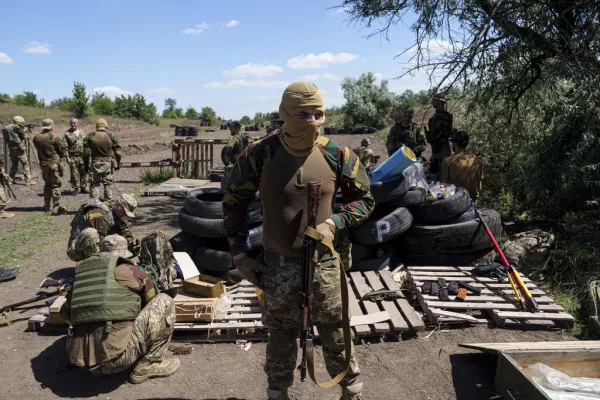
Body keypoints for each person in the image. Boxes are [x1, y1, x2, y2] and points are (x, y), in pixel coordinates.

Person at [223, 81, 374, 400]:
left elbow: (364, 199)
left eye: (318, 113)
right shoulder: (259, 154)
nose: (312, 120)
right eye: (303, 114)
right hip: (277, 265)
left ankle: (351, 390)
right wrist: (240, 256)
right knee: (280, 331)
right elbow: (234, 202)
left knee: (335, 327)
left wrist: (335, 222)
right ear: (284, 115)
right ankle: (278, 393)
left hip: (326, 263)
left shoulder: (339, 154)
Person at [60, 232, 180, 384]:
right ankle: (149, 364)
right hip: (118, 360)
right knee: (164, 301)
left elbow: (65, 313)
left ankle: (100, 367)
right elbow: (151, 301)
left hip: (81, 360)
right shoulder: (134, 271)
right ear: (124, 254)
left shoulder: (82, 274)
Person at [67, 193, 138, 261]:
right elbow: (99, 242)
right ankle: (92, 266)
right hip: (77, 249)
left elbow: (125, 230)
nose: (125, 215)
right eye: (125, 211)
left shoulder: (119, 213)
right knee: (93, 235)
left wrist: (130, 243)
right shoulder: (99, 214)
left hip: (97, 243)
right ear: (119, 205)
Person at [32, 119, 68, 213]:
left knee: (47, 184)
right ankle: (56, 206)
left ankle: (47, 206)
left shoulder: (36, 137)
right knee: (55, 185)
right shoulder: (54, 137)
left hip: (43, 164)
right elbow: (63, 151)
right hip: (53, 164)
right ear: (51, 126)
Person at [440, 130, 484, 201]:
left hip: (455, 200)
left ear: (455, 144)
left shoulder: (447, 161)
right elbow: (480, 185)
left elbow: (443, 185)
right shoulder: (477, 159)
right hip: (472, 199)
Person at [86, 118, 121, 200]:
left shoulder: (91, 136)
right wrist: (118, 164)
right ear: (106, 126)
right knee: (108, 184)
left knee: (94, 184)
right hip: (107, 163)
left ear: (97, 126)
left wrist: (85, 165)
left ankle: (94, 205)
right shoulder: (111, 136)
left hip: (95, 163)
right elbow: (118, 153)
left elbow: (86, 153)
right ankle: (108, 204)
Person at [425, 94, 453, 179]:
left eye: (434, 100)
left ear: (440, 102)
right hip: (437, 148)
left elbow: (443, 135)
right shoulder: (436, 116)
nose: (432, 102)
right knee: (436, 172)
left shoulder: (444, 116)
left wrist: (436, 147)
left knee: (443, 173)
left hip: (442, 148)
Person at [1, 116, 35, 185]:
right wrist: (26, 131)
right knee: (25, 163)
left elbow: (13, 135)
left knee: (14, 164)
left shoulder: (7, 127)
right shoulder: (16, 127)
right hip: (19, 148)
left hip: (11, 148)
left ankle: (10, 180)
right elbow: (24, 136)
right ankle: (28, 180)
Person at [64, 117, 90, 196]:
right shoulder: (67, 134)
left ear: (77, 124)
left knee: (83, 173)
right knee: (74, 173)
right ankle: (76, 189)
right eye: (71, 123)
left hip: (82, 157)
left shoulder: (83, 133)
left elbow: (86, 145)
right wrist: (67, 157)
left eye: (74, 123)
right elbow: (65, 147)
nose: (73, 125)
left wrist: (88, 156)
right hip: (73, 157)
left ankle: (83, 187)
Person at [221, 120, 249, 189]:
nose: (230, 128)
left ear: (237, 128)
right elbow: (247, 150)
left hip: (233, 166)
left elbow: (227, 151)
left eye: (232, 127)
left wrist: (227, 164)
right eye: (230, 127)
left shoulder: (233, 138)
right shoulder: (244, 137)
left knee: (225, 186)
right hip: (243, 165)